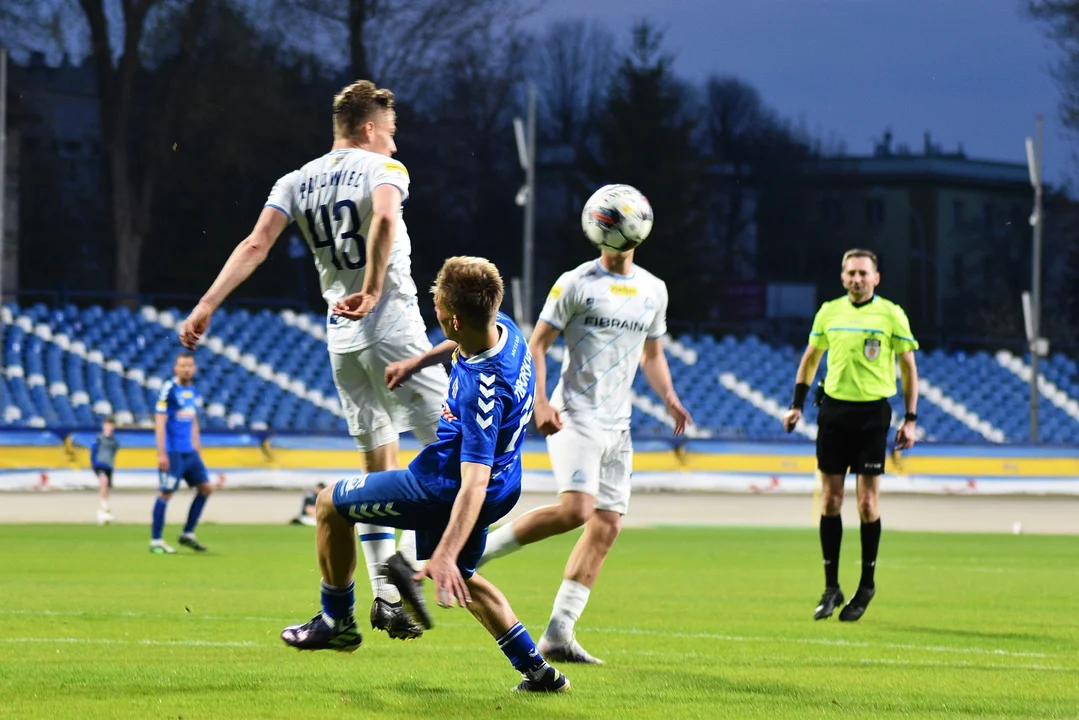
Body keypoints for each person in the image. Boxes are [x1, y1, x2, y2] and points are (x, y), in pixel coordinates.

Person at [177, 80, 448, 639]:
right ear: (369, 128)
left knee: (380, 471)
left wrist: (206, 305)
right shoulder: (385, 172)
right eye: (391, 134)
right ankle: (411, 580)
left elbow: (256, 243)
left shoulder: (294, 181)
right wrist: (373, 287)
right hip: (395, 331)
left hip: (342, 342)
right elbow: (385, 220)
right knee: (460, 451)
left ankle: (380, 601)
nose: (396, 147)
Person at [280, 257, 569, 693]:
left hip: (443, 487)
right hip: (504, 485)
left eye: (435, 303)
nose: (432, 306)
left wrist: (447, 551)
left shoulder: (482, 389)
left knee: (329, 505)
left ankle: (336, 621)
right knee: (465, 581)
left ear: (453, 318)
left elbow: (471, 480)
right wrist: (416, 363)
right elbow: (457, 347)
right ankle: (541, 674)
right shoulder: (503, 328)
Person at [478, 245, 692, 664]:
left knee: (607, 525)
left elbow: (652, 353)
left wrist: (669, 397)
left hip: (619, 425)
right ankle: (474, 552)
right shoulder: (575, 282)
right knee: (577, 510)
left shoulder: (653, 289)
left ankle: (559, 633)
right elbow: (537, 344)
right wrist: (541, 401)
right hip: (574, 416)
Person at [782, 248, 919, 622]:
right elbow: (811, 358)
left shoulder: (891, 314)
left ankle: (867, 584)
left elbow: (908, 367)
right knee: (829, 500)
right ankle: (831, 587)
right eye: (850, 273)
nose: (856, 279)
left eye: (863, 273)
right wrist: (797, 404)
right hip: (834, 413)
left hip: (873, 414)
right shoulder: (829, 311)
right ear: (842, 277)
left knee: (866, 503)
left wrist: (910, 418)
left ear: (876, 278)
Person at [151, 352, 213, 554]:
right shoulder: (169, 389)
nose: (186, 369)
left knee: (205, 488)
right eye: (182, 365)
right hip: (173, 452)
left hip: (190, 452)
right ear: (175, 368)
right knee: (166, 493)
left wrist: (197, 446)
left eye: (189, 365)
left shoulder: (192, 391)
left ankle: (187, 533)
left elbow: (193, 420)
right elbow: (160, 422)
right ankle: (156, 540)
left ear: (194, 368)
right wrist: (161, 453)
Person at [91, 416, 120, 525]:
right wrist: (93, 463)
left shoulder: (115, 441)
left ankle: (103, 509)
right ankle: (103, 505)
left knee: (108, 487)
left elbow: (113, 452)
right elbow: (93, 451)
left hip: (109, 466)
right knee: (104, 481)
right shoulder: (99, 439)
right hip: (99, 464)